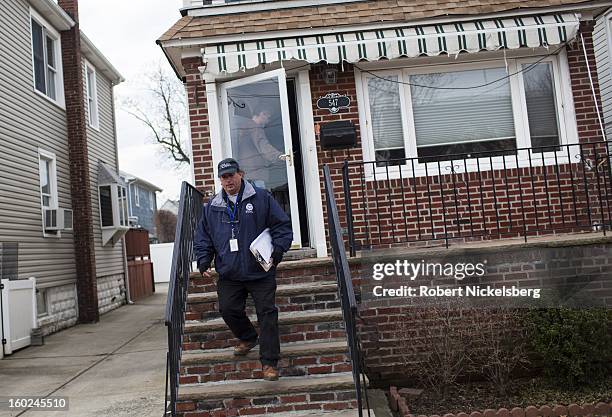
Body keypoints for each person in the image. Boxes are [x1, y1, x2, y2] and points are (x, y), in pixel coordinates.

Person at [194, 158, 293, 381]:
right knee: (228, 309)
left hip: (260, 270)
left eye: (231, 175)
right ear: (220, 179)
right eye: (223, 177)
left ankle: (269, 363)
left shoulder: (261, 198)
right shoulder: (212, 207)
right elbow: (204, 237)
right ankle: (248, 337)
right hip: (229, 272)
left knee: (267, 314)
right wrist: (203, 260)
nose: (228, 180)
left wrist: (277, 251)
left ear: (241, 174)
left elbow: (282, 226)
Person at [231, 110, 282, 189]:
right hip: (256, 174)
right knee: (261, 199)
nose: (269, 120)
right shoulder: (254, 126)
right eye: (267, 116)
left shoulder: (238, 127)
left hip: (243, 173)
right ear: (261, 113)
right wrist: (279, 156)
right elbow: (263, 145)